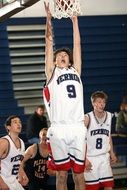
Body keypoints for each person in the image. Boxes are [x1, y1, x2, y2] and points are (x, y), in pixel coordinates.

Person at [43, 2, 87, 190]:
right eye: (59, 55)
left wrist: (74, 21)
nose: (62, 56)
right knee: (61, 175)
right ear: (54, 60)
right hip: (59, 128)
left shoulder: (76, 70)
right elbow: (48, 42)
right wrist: (48, 20)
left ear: (69, 59)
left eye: (65, 55)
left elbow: (77, 44)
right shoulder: (52, 73)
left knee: (79, 175)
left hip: (77, 127)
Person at [84, 91, 117, 190]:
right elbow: (80, 140)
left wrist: (112, 153)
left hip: (104, 157)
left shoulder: (109, 116)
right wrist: (84, 159)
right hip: (91, 158)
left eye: (103, 102)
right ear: (93, 103)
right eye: (99, 102)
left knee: (109, 187)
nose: (102, 104)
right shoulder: (87, 118)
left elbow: (108, 136)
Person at [0, 115, 28, 190]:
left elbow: (18, 162)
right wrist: (1, 183)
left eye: (20, 122)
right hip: (3, 180)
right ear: (8, 127)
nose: (19, 124)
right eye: (15, 122)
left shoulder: (21, 142)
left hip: (13, 181)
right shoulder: (4, 142)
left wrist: (22, 173)